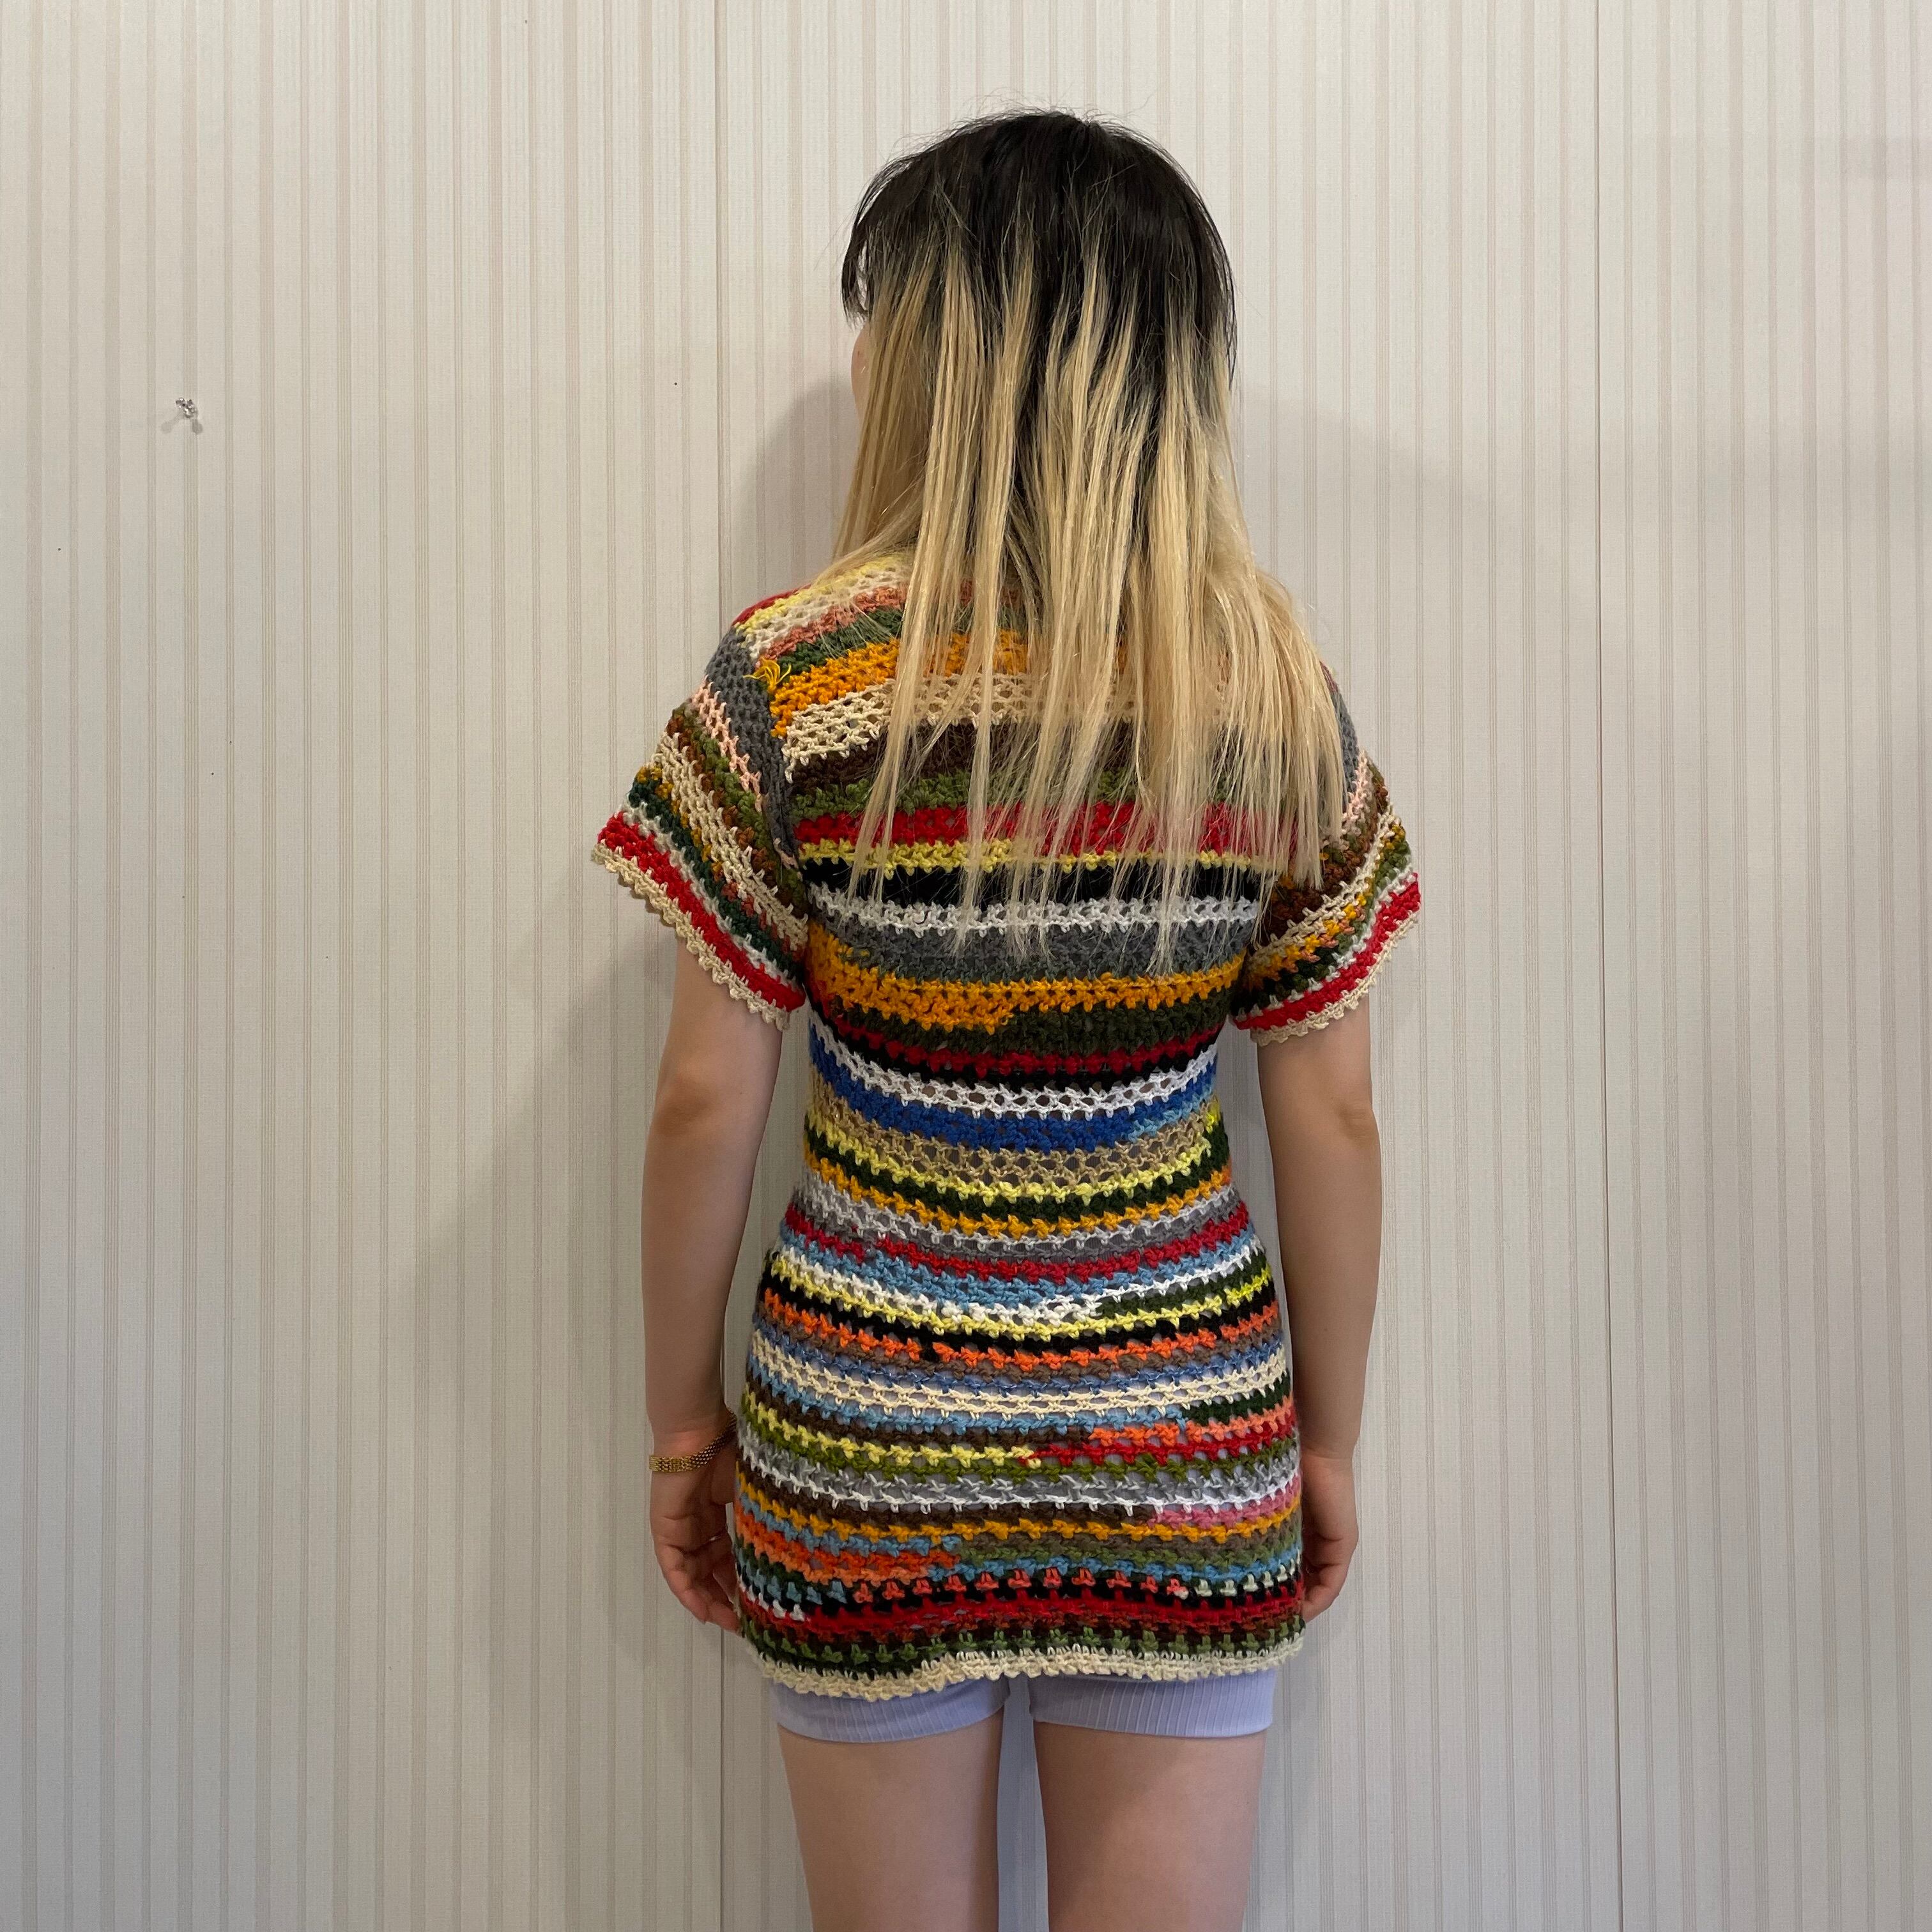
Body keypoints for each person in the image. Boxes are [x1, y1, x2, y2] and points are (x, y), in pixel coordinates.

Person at [594, 109, 1422, 1932]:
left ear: (937, 360)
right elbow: (1334, 1120)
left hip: (866, 1431)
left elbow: (703, 1106)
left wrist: (679, 1431)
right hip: (1180, 1430)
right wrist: (1327, 1442)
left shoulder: (797, 680)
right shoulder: (1268, 695)